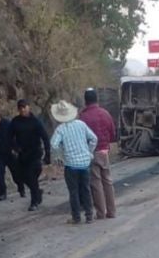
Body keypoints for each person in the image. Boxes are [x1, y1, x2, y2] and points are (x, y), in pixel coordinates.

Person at [50, 100, 97, 224]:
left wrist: (60, 155)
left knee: (74, 192)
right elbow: (94, 138)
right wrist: (89, 152)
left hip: (71, 165)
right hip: (85, 163)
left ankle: (76, 217)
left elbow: (53, 144)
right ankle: (89, 215)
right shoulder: (81, 124)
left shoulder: (60, 129)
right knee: (86, 189)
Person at [79, 88, 117, 219]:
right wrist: (107, 144)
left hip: (91, 153)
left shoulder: (83, 117)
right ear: (97, 99)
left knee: (96, 183)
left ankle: (101, 213)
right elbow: (113, 133)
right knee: (107, 181)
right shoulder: (105, 113)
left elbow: (81, 137)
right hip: (104, 151)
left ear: (85, 101)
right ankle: (111, 212)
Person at [10, 99, 50, 211]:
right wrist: (15, 147)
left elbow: (45, 138)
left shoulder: (35, 122)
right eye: (20, 108)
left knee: (32, 177)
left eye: (24, 107)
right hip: (22, 155)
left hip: (35, 153)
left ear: (28, 107)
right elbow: (9, 137)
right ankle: (37, 192)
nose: (22, 109)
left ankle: (34, 202)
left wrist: (47, 155)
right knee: (20, 177)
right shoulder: (15, 122)